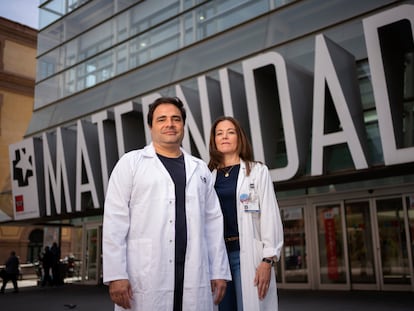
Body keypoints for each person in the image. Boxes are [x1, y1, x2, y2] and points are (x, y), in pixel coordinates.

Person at [103, 96, 231, 311]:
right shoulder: (130, 163)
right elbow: (115, 221)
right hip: (147, 274)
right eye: (161, 119)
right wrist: (116, 274)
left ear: (183, 124)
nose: (170, 124)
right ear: (151, 126)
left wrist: (218, 271)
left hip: (194, 272)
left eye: (176, 119)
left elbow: (213, 223)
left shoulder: (200, 169)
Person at [208, 116, 284, 311]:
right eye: (219, 133)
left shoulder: (257, 171)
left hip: (248, 255)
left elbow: (269, 215)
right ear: (214, 140)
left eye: (230, 132)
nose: (224, 137)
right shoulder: (207, 176)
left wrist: (268, 260)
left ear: (239, 138)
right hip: (218, 259)